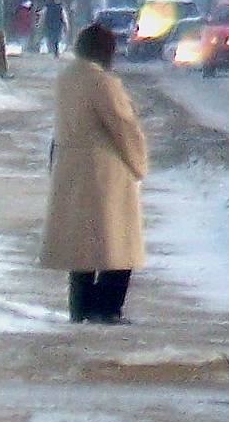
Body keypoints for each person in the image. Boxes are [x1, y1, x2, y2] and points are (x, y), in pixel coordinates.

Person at [39, 23, 149, 324]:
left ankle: (81, 306)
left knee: (82, 247)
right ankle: (107, 307)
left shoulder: (66, 79)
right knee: (118, 244)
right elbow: (122, 126)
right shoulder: (103, 83)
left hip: (71, 168)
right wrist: (138, 163)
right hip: (105, 173)